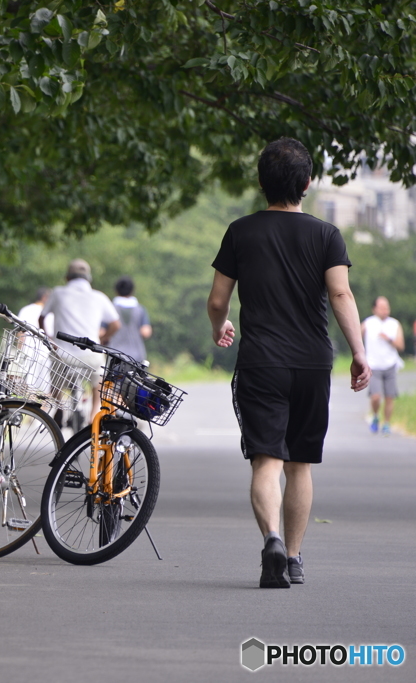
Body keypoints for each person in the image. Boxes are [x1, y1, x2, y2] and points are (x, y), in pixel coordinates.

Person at [207, 137, 370, 589]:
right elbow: (341, 294)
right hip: (313, 363)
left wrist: (219, 326)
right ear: (307, 183)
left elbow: (219, 298)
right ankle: (294, 559)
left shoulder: (241, 231)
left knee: (267, 462)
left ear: (261, 182)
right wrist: (358, 351)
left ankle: (273, 539)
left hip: (262, 363)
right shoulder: (326, 234)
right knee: (300, 464)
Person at [40, 258, 120, 416]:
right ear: (89, 279)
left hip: (63, 355)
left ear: (67, 278)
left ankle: (59, 406)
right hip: (91, 356)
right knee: (99, 377)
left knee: (56, 381)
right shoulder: (99, 297)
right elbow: (115, 324)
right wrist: (104, 338)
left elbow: (42, 317)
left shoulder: (58, 293)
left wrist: (48, 337)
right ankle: (94, 412)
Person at [361, 296, 405, 435]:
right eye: (381, 307)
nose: (385, 310)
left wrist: (389, 339)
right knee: (376, 396)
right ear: (374, 309)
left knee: (389, 396)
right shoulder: (368, 323)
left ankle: (386, 423)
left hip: (390, 364)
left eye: (386, 307)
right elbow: (354, 335)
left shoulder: (395, 324)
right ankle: (375, 416)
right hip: (373, 365)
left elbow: (401, 346)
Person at [109, 276, 152, 364]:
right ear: (132, 291)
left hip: (115, 355)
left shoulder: (111, 309)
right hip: (137, 356)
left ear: (116, 291)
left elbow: (101, 332)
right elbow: (145, 332)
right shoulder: (140, 310)